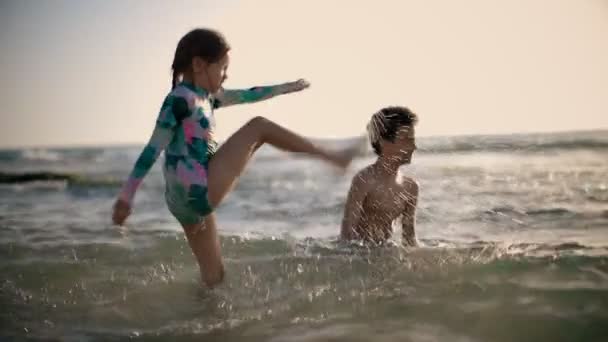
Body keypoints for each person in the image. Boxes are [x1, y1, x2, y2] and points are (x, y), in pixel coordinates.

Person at [112, 28, 357, 287]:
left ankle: (207, 322)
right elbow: (152, 148)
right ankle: (332, 157)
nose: (226, 75)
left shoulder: (206, 97)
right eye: (223, 68)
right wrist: (126, 196)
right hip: (198, 191)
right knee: (259, 127)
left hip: (182, 202)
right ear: (198, 64)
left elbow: (250, 94)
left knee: (213, 276)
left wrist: (285, 87)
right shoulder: (181, 100)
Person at [340, 106, 419, 246]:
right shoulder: (365, 180)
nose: (413, 146)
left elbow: (409, 240)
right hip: (360, 254)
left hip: (385, 251)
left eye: (412, 140)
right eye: (406, 140)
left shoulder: (410, 187)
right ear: (383, 142)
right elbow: (347, 234)